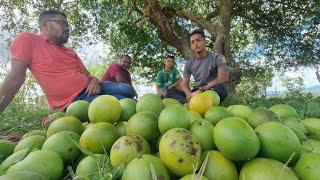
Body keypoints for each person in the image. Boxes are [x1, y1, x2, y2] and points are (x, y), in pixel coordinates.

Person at [0, 10, 134, 114]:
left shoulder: (70, 52)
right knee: (123, 104)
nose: (67, 28)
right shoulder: (28, 40)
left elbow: (88, 74)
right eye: (61, 23)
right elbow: (15, 79)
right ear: (45, 25)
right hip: (73, 101)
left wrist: (94, 80)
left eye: (67, 24)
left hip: (90, 87)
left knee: (128, 90)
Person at [182, 30, 229, 102]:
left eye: (198, 40)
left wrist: (202, 89)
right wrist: (189, 94)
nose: (195, 44)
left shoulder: (218, 57)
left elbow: (222, 77)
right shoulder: (189, 63)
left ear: (205, 42)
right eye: (192, 42)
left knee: (220, 90)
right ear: (191, 46)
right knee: (180, 94)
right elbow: (184, 83)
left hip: (214, 88)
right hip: (198, 90)